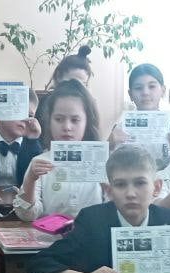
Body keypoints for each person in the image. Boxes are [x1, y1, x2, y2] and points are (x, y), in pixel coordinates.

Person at [26, 145, 170, 273]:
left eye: (140, 183)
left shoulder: (169, 220)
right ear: (109, 191)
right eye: (120, 185)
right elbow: (40, 262)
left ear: (156, 187)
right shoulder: (93, 220)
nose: (130, 193)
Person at [14, 80, 104, 221]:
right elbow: (26, 215)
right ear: (49, 121)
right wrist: (30, 179)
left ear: (87, 122)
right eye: (59, 119)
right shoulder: (40, 162)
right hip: (49, 235)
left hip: (92, 234)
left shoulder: (103, 162)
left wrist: (113, 191)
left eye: (75, 120)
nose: (67, 127)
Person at [108, 63, 170, 167]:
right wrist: (109, 144)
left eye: (152, 86)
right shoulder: (120, 130)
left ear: (163, 91)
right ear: (130, 95)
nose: (145, 92)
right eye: (138, 88)